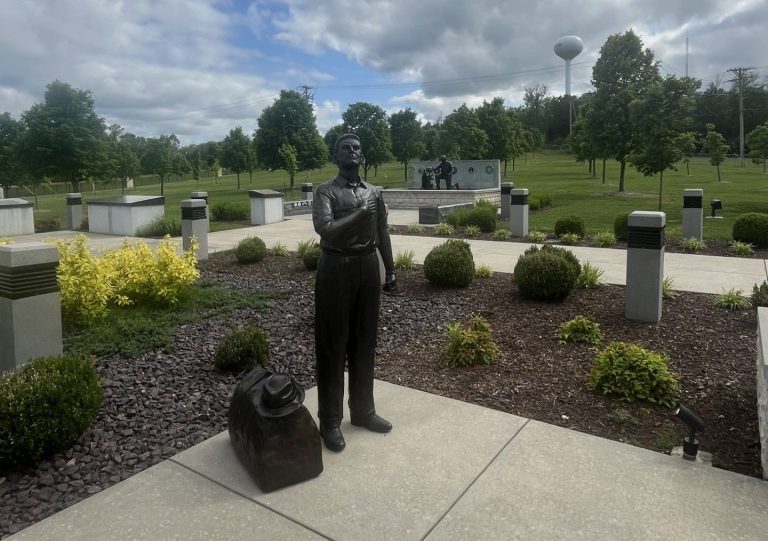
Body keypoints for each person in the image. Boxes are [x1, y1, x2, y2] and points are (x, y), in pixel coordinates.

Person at [311, 133, 397, 452]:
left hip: (366, 266)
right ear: (337, 156)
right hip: (336, 267)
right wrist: (361, 213)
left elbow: (382, 230)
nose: (352, 151)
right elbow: (326, 229)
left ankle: (363, 411)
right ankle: (330, 421)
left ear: (363, 157)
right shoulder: (326, 192)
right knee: (333, 346)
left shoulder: (374, 192)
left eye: (357, 148)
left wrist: (390, 269)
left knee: (364, 341)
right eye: (345, 147)